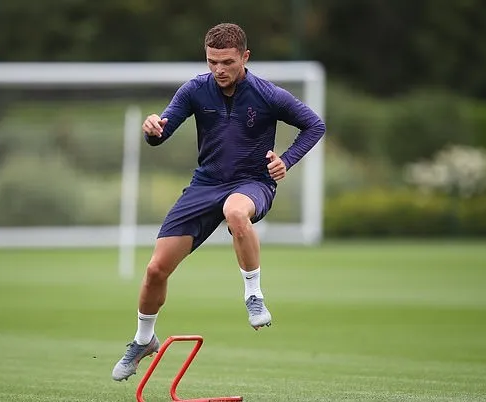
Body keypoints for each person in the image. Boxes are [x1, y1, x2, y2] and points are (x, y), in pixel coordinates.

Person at [112, 22, 326, 382]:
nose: (219, 70)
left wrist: (284, 161)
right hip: (205, 184)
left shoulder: (268, 94)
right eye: (212, 62)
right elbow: (161, 133)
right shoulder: (195, 89)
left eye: (227, 62)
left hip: (252, 182)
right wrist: (152, 130)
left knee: (235, 212)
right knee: (154, 270)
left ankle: (253, 295)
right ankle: (143, 340)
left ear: (245, 56)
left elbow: (314, 125)